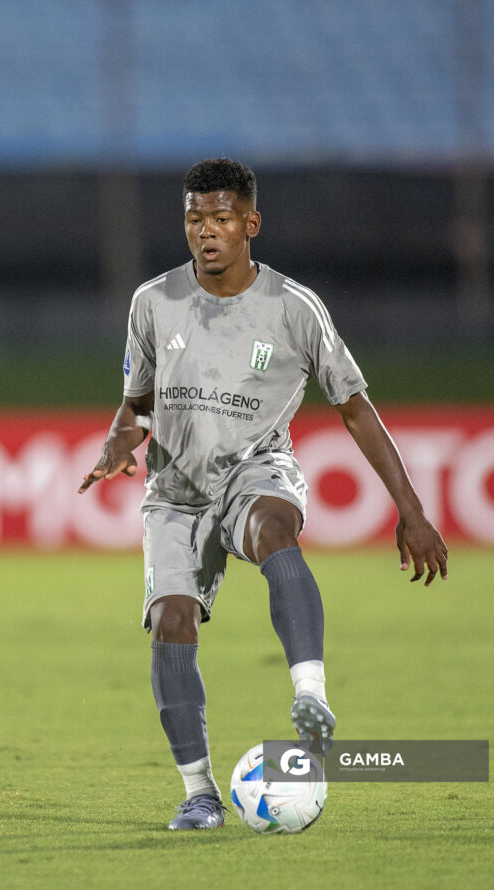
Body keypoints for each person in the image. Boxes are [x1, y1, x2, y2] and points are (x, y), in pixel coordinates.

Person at [79, 158, 448, 831]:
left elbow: (355, 408)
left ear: (251, 224)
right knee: (171, 621)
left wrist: (412, 511)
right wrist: (116, 442)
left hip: (256, 468)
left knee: (274, 530)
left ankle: (311, 695)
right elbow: (136, 404)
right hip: (176, 490)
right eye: (194, 218)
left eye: (221, 218)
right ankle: (199, 794)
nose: (206, 231)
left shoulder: (293, 307)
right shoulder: (152, 301)